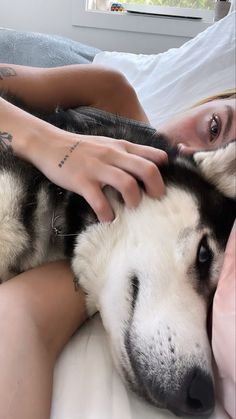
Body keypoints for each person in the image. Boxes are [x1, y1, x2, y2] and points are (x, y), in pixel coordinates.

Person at [0, 63, 235, 419]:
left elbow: (20, 316)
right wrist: (50, 143)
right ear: (205, 102)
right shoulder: (113, 91)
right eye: (214, 128)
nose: (188, 150)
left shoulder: (111, 251)